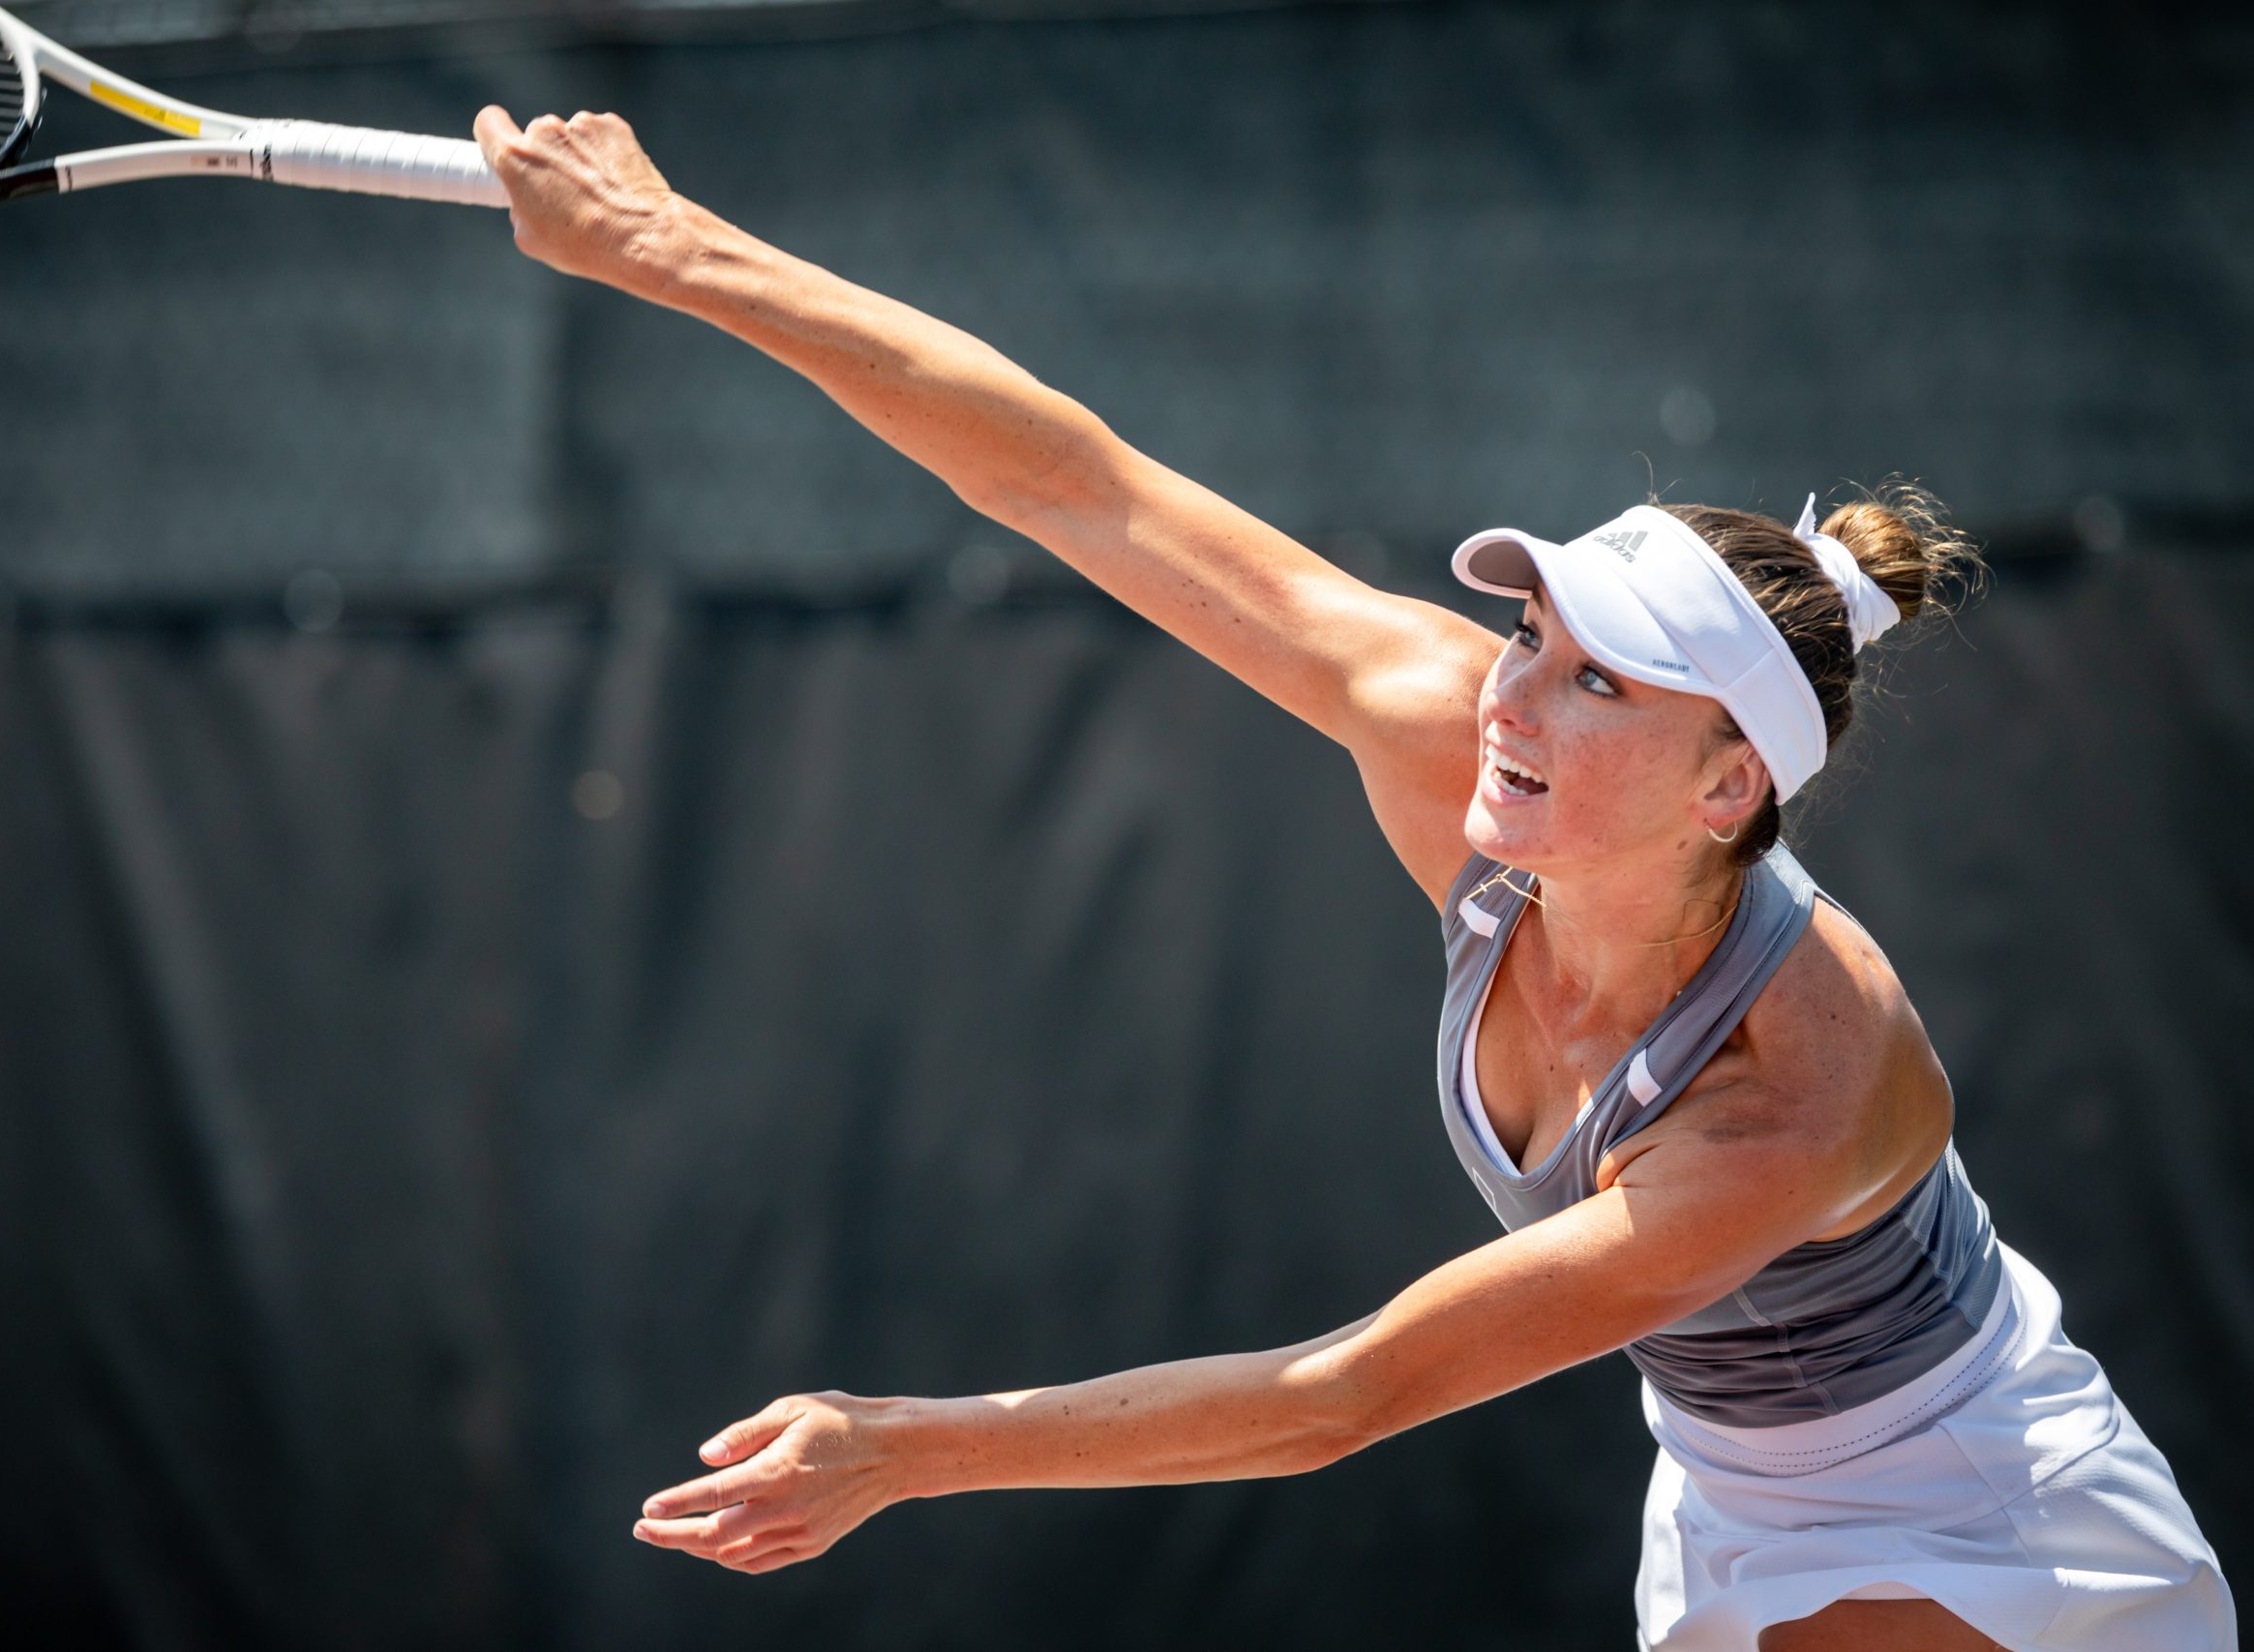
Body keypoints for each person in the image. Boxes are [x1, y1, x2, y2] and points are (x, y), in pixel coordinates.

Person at [469, 106, 2238, 1650]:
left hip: (1975, 1507)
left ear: (1726, 790)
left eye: (1599, 680)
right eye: (1530, 632)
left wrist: (905, 1449)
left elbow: (1343, 1397)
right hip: (1720, 1493)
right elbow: (1076, 483)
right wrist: (677, 250)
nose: (1517, 694)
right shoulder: (1452, 729)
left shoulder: (1789, 1091)